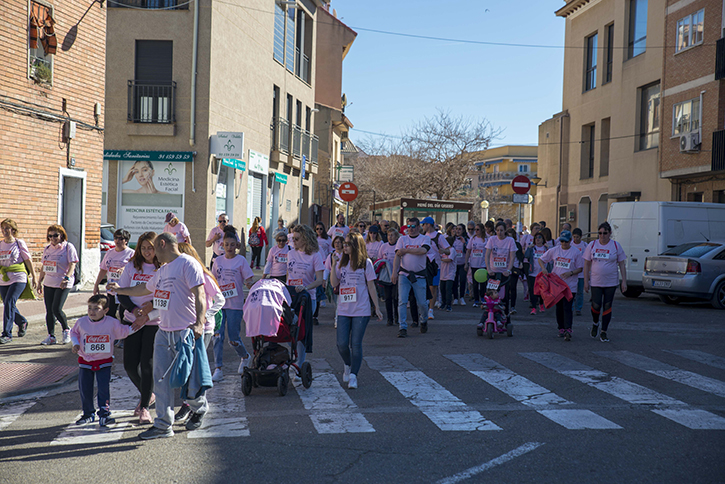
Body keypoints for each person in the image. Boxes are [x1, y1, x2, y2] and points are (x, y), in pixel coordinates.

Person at [108, 232, 208, 440]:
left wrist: (199, 322)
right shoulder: (162, 271)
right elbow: (143, 289)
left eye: (155, 248)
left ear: (163, 244)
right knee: (160, 380)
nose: (152, 253)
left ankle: (199, 407)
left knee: (188, 381)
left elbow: (200, 294)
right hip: (164, 332)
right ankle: (163, 425)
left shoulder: (187, 264)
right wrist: (121, 290)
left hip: (185, 332)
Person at [174, 242, 225, 424]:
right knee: (186, 367)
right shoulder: (178, 275)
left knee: (195, 368)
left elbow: (220, 299)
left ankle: (196, 406)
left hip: (203, 329)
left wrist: (205, 316)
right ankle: (188, 403)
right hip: (184, 327)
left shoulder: (203, 275)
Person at [116, 231, 160, 425]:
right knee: (129, 365)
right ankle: (147, 394)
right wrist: (134, 311)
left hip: (153, 322)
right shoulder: (132, 266)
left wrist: (148, 313)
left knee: (147, 363)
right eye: (143, 248)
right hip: (132, 320)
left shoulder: (163, 268)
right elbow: (122, 293)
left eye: (150, 247)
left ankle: (144, 408)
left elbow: (166, 295)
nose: (147, 251)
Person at [71, 294, 134, 427]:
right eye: (89, 308)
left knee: (103, 389)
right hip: (85, 362)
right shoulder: (82, 322)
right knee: (85, 388)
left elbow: (124, 331)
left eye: (96, 308)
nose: (92, 311)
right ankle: (88, 414)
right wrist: (75, 343)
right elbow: (74, 332)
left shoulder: (112, 323)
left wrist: (141, 323)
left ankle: (104, 414)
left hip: (104, 362)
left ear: (105, 310)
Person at [329, 232, 382, 390]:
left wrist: (377, 308)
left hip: (361, 309)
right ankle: (348, 363)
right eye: (344, 243)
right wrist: (333, 265)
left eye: (347, 244)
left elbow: (371, 286)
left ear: (356, 246)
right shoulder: (341, 263)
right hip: (344, 309)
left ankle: (353, 375)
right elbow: (334, 283)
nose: (343, 246)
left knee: (356, 344)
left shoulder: (366, 263)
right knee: (342, 344)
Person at [211, 226, 255, 382]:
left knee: (233, 338)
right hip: (220, 306)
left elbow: (248, 280)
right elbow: (213, 282)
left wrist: (256, 288)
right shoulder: (217, 261)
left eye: (232, 244)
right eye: (226, 244)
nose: (229, 247)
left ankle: (244, 356)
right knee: (217, 336)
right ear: (222, 245)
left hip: (235, 305)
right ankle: (218, 368)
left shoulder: (241, 261)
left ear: (237, 245)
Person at [583, 221, 627, 343]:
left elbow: (622, 264)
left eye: (605, 233)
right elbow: (586, 264)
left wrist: (624, 281)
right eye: (600, 233)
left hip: (611, 282)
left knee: (607, 306)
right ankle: (595, 323)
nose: (602, 236)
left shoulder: (616, 246)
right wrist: (586, 281)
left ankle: (604, 331)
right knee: (596, 305)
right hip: (596, 282)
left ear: (610, 233)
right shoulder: (592, 245)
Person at [287, 224, 324, 364]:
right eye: (292, 238)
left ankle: (299, 363)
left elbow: (319, 280)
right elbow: (288, 275)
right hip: (291, 297)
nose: (293, 241)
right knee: (289, 331)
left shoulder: (315, 255)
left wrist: (306, 287)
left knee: (300, 331)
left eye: (296, 239)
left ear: (306, 239)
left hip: (308, 298)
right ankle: (295, 355)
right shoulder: (290, 253)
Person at [538, 230, 583, 341]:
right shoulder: (554, 250)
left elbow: (580, 268)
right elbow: (541, 259)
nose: (564, 244)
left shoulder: (576, 252)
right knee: (559, 308)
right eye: (562, 241)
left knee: (567, 307)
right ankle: (561, 328)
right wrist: (543, 269)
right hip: (556, 285)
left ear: (570, 241)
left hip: (569, 285)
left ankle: (568, 328)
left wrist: (571, 273)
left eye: (566, 242)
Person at [38, 224, 78, 345]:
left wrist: (67, 277)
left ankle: (66, 329)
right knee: (49, 310)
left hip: (63, 282)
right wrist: (39, 281)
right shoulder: (47, 249)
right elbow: (44, 266)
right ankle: (51, 336)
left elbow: (72, 264)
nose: (53, 238)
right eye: (50, 236)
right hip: (49, 282)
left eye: (55, 235)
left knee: (57, 308)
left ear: (61, 235)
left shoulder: (68, 247)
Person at [392, 218, 431, 338]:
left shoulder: (424, 238)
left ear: (419, 227)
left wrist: (406, 250)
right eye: (409, 226)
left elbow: (423, 250)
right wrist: (394, 272)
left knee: (422, 303)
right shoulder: (402, 239)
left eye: (413, 226)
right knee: (402, 301)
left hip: (419, 275)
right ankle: (402, 327)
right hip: (404, 274)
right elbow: (398, 256)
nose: (411, 229)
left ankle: (423, 320)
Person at [0, 219, 36, 343]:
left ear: (13, 230)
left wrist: (35, 277)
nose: (4, 231)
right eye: (3, 228)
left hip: (18, 277)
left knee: (9, 302)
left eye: (7, 228)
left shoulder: (19, 243)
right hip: (4, 278)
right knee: (8, 304)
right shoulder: (0, 244)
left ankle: (7, 334)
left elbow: (28, 260)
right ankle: (22, 321)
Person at [93, 228, 134, 325]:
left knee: (123, 314)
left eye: (121, 239)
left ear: (126, 241)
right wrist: (96, 284)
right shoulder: (110, 252)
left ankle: (123, 336)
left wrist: (124, 269)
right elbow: (103, 269)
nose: (118, 241)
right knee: (110, 314)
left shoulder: (132, 253)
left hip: (124, 289)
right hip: (111, 289)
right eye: (116, 238)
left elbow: (135, 269)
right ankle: (114, 334)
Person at [421, 216, 450, 319]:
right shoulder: (423, 236)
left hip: (435, 266)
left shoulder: (439, 236)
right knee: (424, 288)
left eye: (423, 224)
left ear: (428, 225)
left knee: (433, 288)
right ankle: (424, 308)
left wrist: (443, 251)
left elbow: (448, 250)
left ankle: (430, 310)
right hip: (424, 265)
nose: (422, 226)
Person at [485, 221, 517, 312]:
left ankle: (506, 315)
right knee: (491, 295)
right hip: (493, 272)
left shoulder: (510, 240)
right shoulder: (491, 239)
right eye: (498, 230)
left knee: (504, 296)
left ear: (505, 230)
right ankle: (491, 314)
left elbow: (512, 257)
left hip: (504, 273)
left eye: (501, 230)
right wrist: (488, 269)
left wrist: (508, 270)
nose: (499, 232)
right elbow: (487, 255)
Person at [524, 233, 548, 314]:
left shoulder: (546, 248)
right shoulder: (532, 248)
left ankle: (541, 305)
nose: (538, 239)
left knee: (542, 291)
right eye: (536, 238)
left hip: (543, 274)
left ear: (543, 239)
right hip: (533, 273)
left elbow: (551, 259)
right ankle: (534, 308)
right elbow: (526, 256)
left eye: (540, 237)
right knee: (533, 291)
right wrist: (528, 248)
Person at [323, 235, 345, 328]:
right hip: (335, 281)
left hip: (345, 281)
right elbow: (327, 269)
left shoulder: (346, 255)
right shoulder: (331, 256)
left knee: (344, 302)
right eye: (336, 242)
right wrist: (324, 279)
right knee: (337, 303)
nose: (337, 244)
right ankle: (337, 320)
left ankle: (342, 319)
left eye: (339, 242)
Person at [464, 223, 487, 307]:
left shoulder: (486, 239)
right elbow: (468, 251)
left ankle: (483, 298)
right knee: (475, 283)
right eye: (475, 230)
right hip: (474, 264)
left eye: (477, 229)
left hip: (483, 264)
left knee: (483, 283)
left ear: (482, 230)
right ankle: (476, 299)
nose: (476, 231)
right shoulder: (472, 239)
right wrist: (466, 263)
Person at [380, 229, 399, 326]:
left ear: (396, 237)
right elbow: (379, 259)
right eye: (388, 235)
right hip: (387, 275)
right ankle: (389, 318)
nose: (390, 237)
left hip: (396, 275)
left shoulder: (398, 246)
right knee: (387, 298)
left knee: (396, 297)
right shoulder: (383, 246)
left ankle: (397, 317)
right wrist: (382, 264)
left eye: (392, 235)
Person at [505, 228, 524, 314]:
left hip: (515, 267)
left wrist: (521, 263)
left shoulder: (517, 245)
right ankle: (505, 305)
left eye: (511, 236)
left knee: (513, 287)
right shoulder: (503, 244)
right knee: (505, 288)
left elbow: (520, 255)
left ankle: (512, 306)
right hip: (505, 268)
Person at [571, 228, 587, 315]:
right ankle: (571, 306)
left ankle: (578, 308)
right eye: (574, 237)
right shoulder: (570, 245)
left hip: (581, 273)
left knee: (580, 292)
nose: (576, 239)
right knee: (571, 291)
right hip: (572, 272)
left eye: (577, 237)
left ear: (581, 237)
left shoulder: (585, 245)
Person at [451, 224, 468, 306]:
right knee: (454, 280)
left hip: (462, 263)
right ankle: (455, 298)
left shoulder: (466, 239)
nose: (458, 231)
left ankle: (461, 297)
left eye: (460, 229)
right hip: (454, 263)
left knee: (462, 280)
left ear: (463, 230)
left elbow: (468, 250)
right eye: (457, 229)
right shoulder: (452, 239)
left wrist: (464, 243)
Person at [440, 236, 457, 312]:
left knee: (448, 289)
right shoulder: (443, 250)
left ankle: (448, 304)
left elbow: (450, 259)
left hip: (450, 273)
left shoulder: (452, 250)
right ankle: (443, 303)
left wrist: (440, 259)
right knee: (442, 289)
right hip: (442, 273)